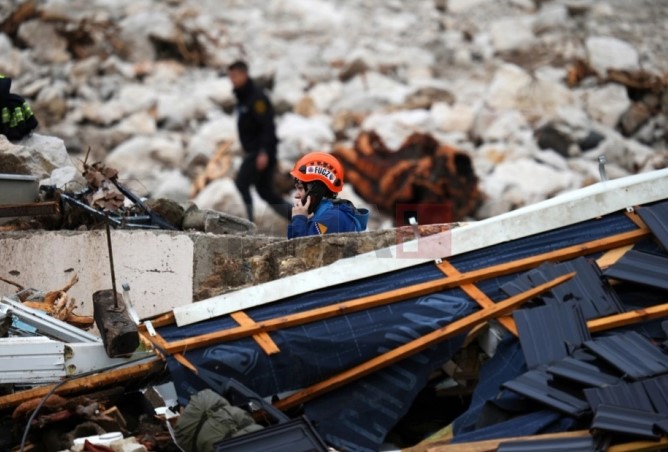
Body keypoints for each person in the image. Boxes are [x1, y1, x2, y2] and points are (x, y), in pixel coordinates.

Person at [227, 60, 291, 223]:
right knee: (267, 193)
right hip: (255, 151)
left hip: (261, 152)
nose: (232, 80)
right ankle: (302, 219)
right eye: (230, 77)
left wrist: (263, 152)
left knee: (241, 183)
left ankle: (246, 225)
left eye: (235, 76)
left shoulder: (257, 97)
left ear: (244, 75)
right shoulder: (243, 96)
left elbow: (267, 126)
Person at [288, 151, 369, 239]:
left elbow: (300, 249)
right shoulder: (328, 215)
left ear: (315, 189)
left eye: (300, 188)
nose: (296, 195)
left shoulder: (332, 218)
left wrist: (299, 219)